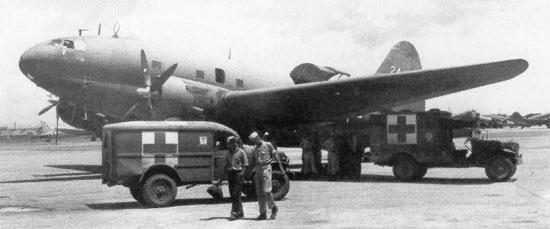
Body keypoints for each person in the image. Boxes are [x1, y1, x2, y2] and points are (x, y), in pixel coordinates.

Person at [249, 132, 278, 220]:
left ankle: (273, 207)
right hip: (258, 169)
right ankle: (262, 213)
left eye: (254, 141)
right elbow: (253, 160)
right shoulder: (254, 148)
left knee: (267, 191)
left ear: (258, 138)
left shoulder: (268, 145)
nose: (254, 143)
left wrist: (281, 169)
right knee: (259, 192)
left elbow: (275, 155)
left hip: (266, 168)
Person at [225, 136, 249, 220]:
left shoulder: (241, 152)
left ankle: (234, 213)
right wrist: (227, 170)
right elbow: (227, 165)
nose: (228, 146)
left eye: (229, 144)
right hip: (231, 175)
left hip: (238, 174)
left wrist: (241, 174)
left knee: (236, 193)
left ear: (234, 143)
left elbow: (245, 164)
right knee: (234, 195)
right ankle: (240, 213)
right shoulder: (228, 153)